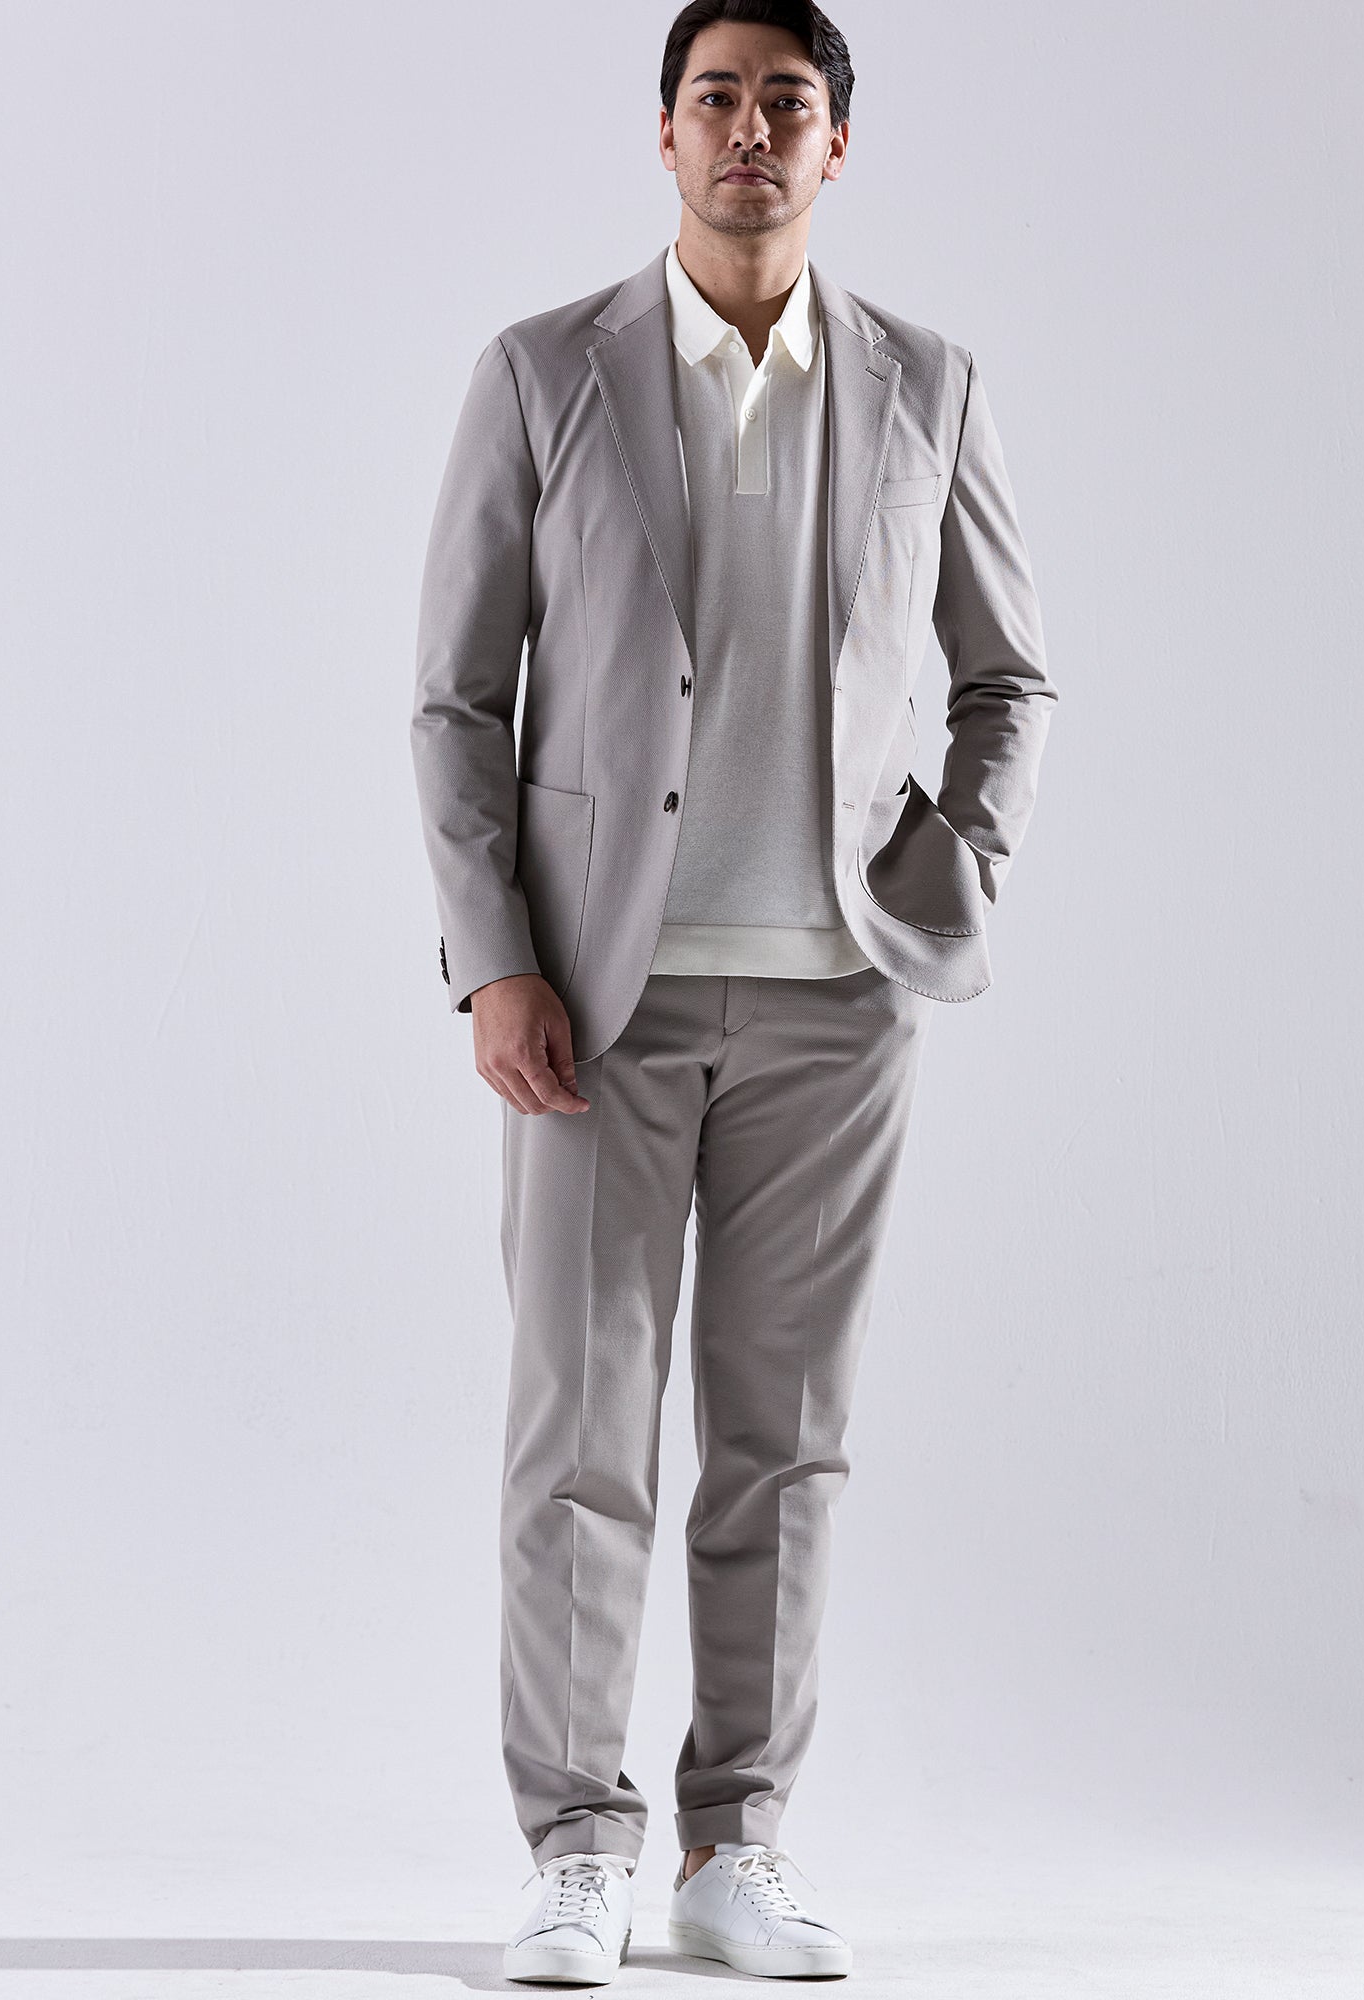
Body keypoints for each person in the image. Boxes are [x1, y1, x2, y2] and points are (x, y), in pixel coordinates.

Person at [409, 0, 1057, 1981]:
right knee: (580, 1439)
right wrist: (497, 958)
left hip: (837, 1005)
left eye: (787, 101)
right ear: (665, 133)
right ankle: (576, 1848)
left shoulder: (929, 380)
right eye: (717, 98)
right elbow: (458, 697)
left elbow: (1005, 677)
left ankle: (733, 1846)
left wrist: (948, 873)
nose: (749, 129)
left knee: (784, 1443)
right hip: (591, 1010)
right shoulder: (545, 372)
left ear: (836, 142)